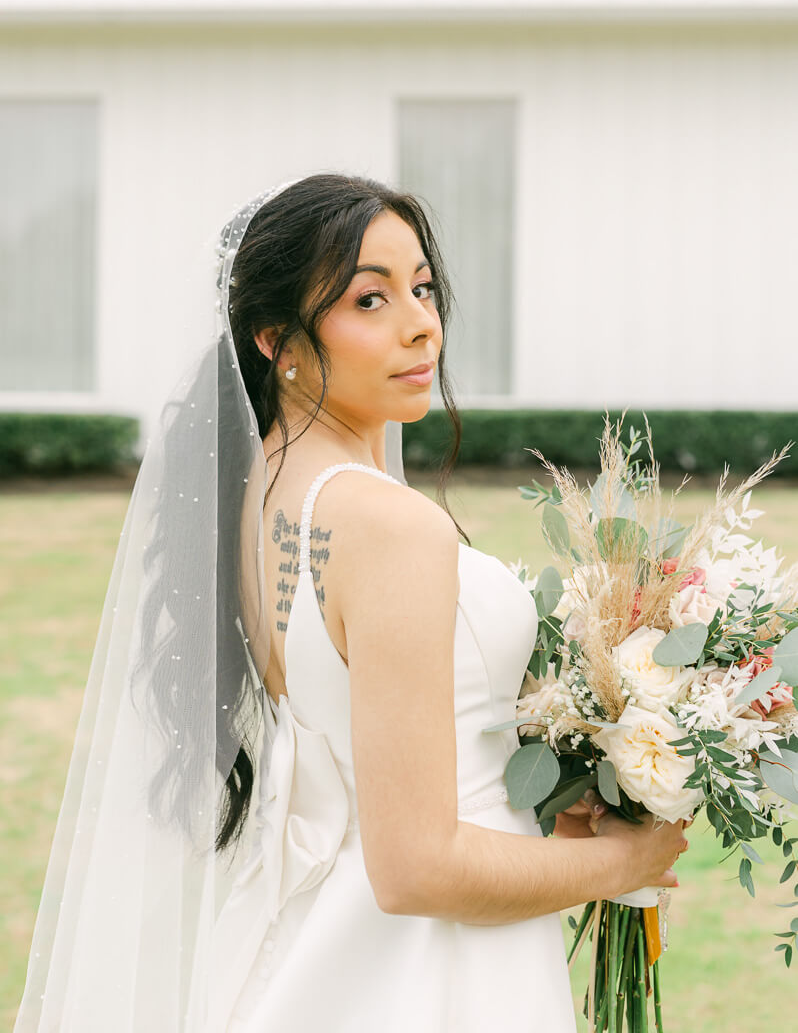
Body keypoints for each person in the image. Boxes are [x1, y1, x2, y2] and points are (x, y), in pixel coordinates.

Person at [15, 173, 688, 1032]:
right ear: (276, 340)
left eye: (422, 287)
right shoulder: (386, 524)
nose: (420, 323)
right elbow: (416, 866)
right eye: (369, 299)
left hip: (326, 941)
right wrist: (630, 855)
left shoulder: (260, 491)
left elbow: (373, 768)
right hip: (434, 974)